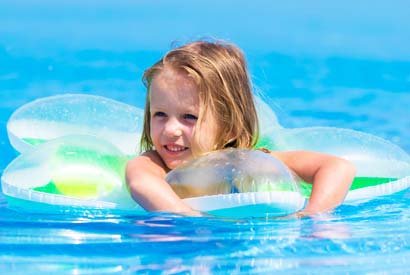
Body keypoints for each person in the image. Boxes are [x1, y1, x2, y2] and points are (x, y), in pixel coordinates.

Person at [126, 40, 356, 217]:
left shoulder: (251, 162)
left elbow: (337, 167)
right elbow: (141, 183)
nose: (170, 129)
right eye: (160, 115)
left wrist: (311, 217)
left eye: (189, 117)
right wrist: (193, 221)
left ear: (229, 129)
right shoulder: (151, 164)